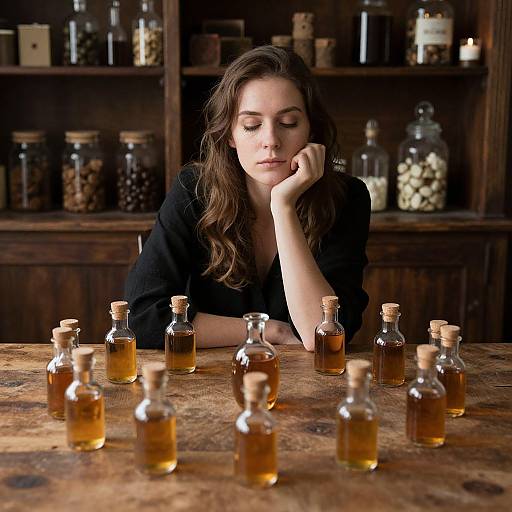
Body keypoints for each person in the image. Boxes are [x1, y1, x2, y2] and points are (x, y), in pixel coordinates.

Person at [125, 45, 370, 350]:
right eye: (252, 125)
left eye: (289, 122)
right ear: (230, 133)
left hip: (309, 385)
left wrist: (283, 206)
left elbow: (326, 336)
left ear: (311, 129)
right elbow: (143, 318)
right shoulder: (194, 190)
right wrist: (268, 331)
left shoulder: (348, 198)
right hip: (206, 383)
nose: (270, 141)